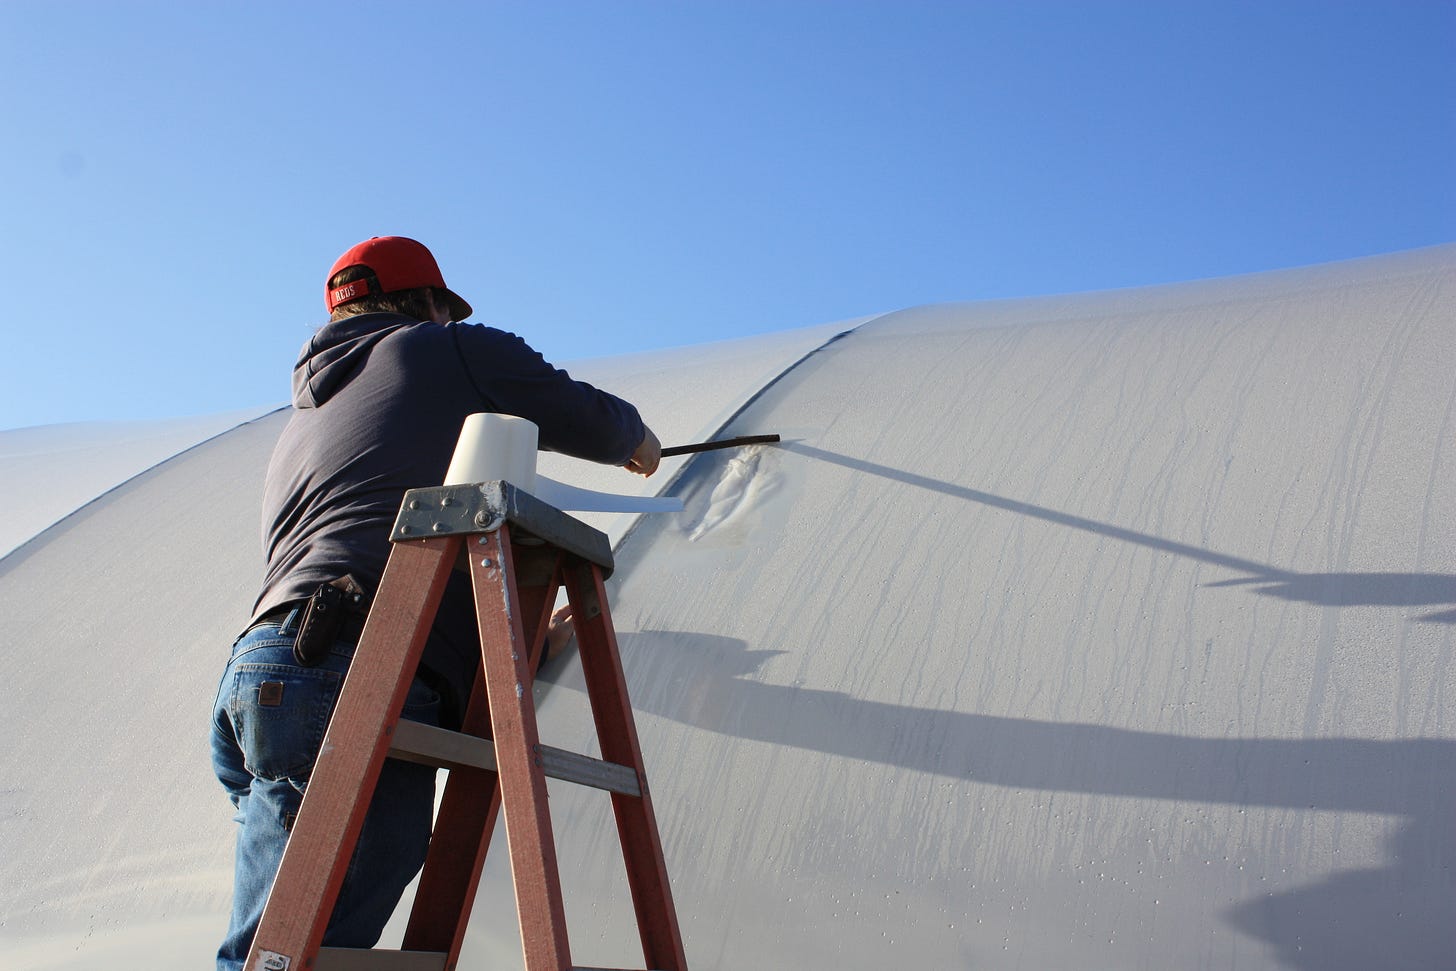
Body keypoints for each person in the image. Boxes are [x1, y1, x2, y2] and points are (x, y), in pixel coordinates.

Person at [208, 236, 660, 970]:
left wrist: (517, 642)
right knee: (295, 952)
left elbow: (375, 544)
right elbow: (572, 407)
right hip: (343, 672)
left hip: (260, 675)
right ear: (425, 304)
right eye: (442, 310)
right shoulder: (444, 350)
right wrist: (635, 437)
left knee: (286, 934)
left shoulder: (307, 418)